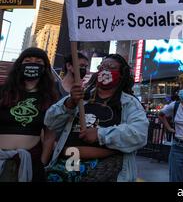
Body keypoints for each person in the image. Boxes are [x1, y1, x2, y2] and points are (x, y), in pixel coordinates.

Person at [44, 54, 149, 182]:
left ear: (121, 74)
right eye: (102, 66)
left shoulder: (129, 103)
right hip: (67, 165)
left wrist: (100, 134)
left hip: (104, 169)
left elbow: (139, 134)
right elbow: (50, 122)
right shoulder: (81, 97)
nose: (105, 70)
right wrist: (69, 104)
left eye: (111, 67)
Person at [0, 47, 59, 181]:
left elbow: (50, 136)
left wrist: (41, 164)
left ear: (45, 69)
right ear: (20, 65)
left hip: (29, 161)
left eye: (38, 62)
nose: (33, 64)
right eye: (28, 60)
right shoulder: (3, 92)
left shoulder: (49, 98)